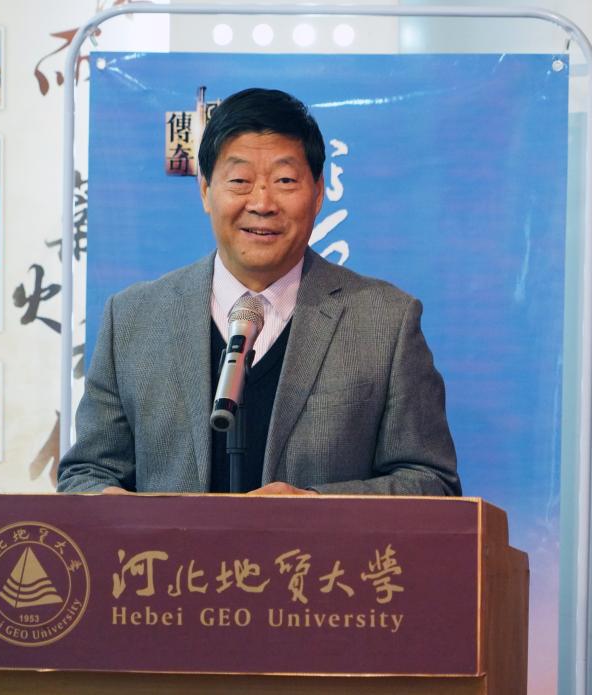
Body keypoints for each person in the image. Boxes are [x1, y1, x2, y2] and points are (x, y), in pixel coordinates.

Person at [57, 87, 460, 497]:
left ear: (318, 193)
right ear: (205, 191)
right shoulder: (133, 319)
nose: (262, 203)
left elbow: (432, 482)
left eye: (285, 180)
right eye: (240, 181)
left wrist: (316, 507)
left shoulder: (385, 322)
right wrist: (110, 506)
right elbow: (85, 473)